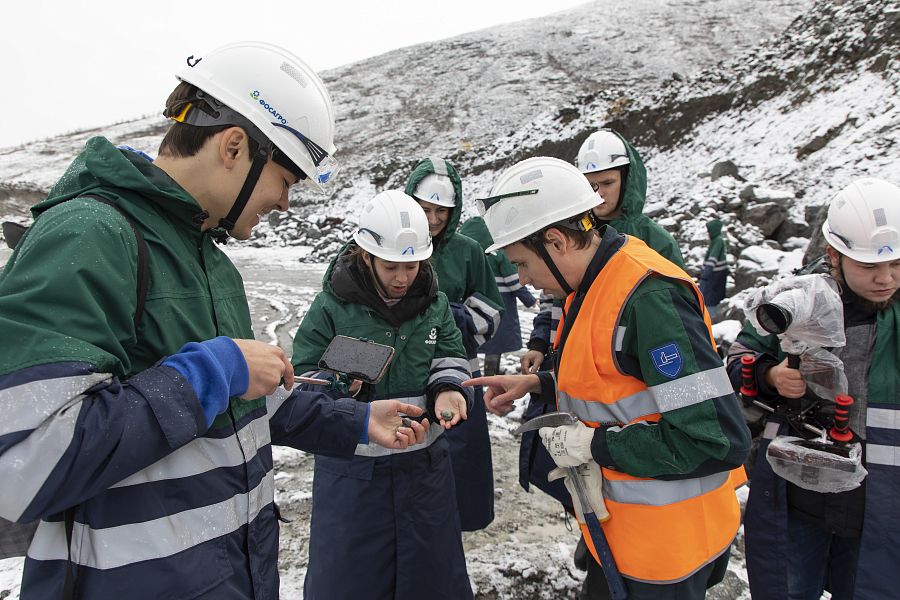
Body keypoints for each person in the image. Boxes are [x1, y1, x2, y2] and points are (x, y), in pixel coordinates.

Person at [0, 42, 429, 600]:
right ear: (233, 147)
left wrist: (352, 421)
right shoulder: (90, 232)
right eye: (287, 179)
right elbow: (24, 461)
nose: (285, 203)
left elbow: (234, 403)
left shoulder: (210, 261)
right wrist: (216, 368)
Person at [466, 156, 750, 599]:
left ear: (556, 241)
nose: (524, 279)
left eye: (522, 264)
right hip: (626, 538)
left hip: (667, 552)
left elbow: (715, 439)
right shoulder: (594, 282)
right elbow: (616, 378)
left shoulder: (649, 298)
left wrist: (594, 444)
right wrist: (542, 383)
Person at [517, 129, 688, 593]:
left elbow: (674, 328)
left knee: (611, 456)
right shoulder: (572, 235)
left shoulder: (651, 242)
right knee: (577, 454)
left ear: (627, 181)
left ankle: (609, 534)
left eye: (606, 184)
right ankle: (591, 526)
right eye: (589, 184)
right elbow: (560, 301)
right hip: (578, 369)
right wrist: (542, 347)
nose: (597, 195)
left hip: (631, 386)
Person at [291, 189, 474, 599]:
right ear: (365, 255)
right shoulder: (331, 307)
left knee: (431, 578)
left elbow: (450, 354)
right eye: (391, 266)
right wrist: (342, 382)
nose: (402, 278)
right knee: (350, 581)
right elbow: (303, 374)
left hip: (425, 470)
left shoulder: (435, 304)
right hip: (351, 476)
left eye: (412, 265)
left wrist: (447, 390)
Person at [726, 178, 900, 600]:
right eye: (869, 267)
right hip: (799, 493)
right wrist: (769, 376)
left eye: (896, 265)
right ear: (834, 257)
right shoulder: (796, 301)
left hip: (881, 505)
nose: (885, 278)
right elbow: (735, 361)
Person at [405, 157, 504, 531]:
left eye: (440, 211)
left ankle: (458, 524)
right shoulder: (396, 246)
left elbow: (492, 312)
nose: (432, 219)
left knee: (459, 458)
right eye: (424, 209)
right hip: (406, 373)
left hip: (459, 373)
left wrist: (448, 319)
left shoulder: (468, 252)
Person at [459, 215, 538, 375]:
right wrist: (529, 300)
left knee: (475, 338)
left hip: (472, 303)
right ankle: (491, 370)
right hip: (500, 304)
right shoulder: (499, 255)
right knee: (496, 341)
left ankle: (472, 371)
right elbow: (514, 282)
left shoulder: (465, 254)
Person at [698, 218, 729, 317]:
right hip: (716, 274)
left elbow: (712, 259)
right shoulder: (717, 240)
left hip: (714, 275)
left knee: (710, 298)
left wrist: (705, 275)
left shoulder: (718, 241)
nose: (708, 233)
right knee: (712, 297)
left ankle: (710, 318)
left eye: (709, 231)